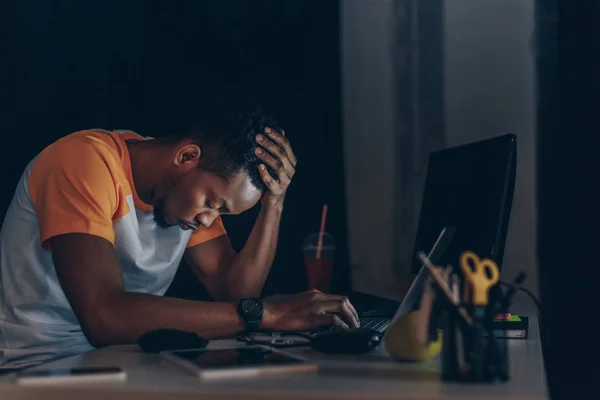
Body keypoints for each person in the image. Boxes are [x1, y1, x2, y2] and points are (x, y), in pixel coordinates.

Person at [0, 100, 359, 369]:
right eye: (213, 203)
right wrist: (270, 315)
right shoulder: (83, 162)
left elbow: (236, 293)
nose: (207, 220)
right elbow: (105, 316)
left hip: (115, 363)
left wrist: (274, 204)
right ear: (187, 155)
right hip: (34, 367)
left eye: (221, 213)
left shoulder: (186, 199)